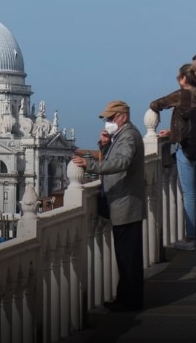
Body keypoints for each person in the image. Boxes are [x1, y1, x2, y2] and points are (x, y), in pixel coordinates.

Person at [71, 100, 145, 312]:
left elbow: (122, 162)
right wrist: (104, 144)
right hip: (122, 203)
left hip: (126, 203)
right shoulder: (121, 135)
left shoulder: (129, 135)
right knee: (125, 256)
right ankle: (125, 298)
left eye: (111, 118)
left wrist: (91, 165)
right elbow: (114, 157)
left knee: (128, 257)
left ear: (122, 116)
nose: (108, 122)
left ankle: (131, 301)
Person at [150, 64, 196, 251]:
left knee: (190, 194)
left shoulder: (182, 94)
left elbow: (156, 104)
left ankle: (190, 238)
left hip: (186, 147)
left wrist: (162, 117)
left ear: (184, 78)